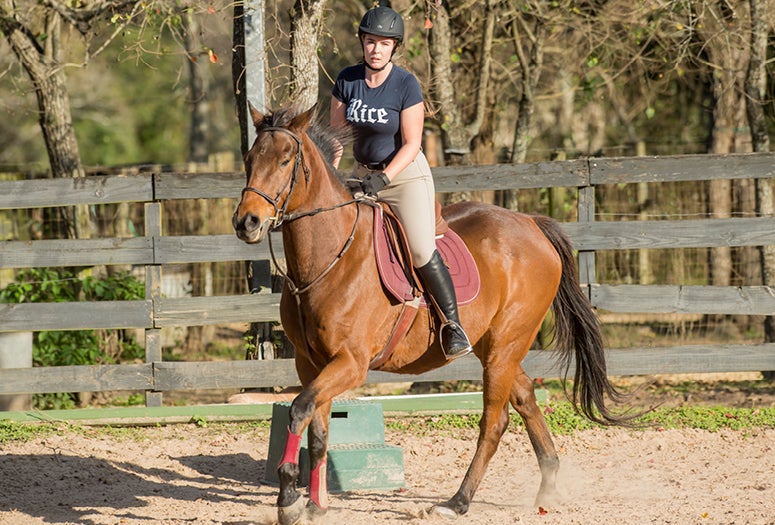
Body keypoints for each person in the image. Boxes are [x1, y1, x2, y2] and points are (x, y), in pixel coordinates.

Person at [330, 4, 472, 360]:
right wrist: (332, 177)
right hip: (362, 174)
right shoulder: (346, 80)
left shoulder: (405, 84)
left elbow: (411, 144)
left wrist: (385, 178)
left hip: (405, 176)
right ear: (362, 43)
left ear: (395, 47)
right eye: (370, 42)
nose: (375, 49)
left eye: (383, 43)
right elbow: (335, 138)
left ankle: (452, 326)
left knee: (422, 249)